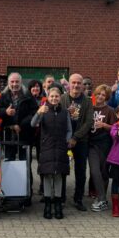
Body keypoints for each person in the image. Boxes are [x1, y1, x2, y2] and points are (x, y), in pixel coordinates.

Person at [33, 86, 72, 219]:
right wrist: (39, 112)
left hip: (61, 148)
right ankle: (48, 206)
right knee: (48, 176)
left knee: (59, 177)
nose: (54, 98)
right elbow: (33, 124)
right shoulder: (43, 110)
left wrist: (67, 142)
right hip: (47, 148)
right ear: (47, 97)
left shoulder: (65, 112)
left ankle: (57, 205)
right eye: (52, 96)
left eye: (57, 96)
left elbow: (69, 130)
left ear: (60, 97)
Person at [60, 73, 93, 211]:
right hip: (64, 140)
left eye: (79, 83)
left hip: (81, 141)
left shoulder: (87, 101)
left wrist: (75, 138)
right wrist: (68, 138)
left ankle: (78, 199)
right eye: (73, 82)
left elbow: (88, 122)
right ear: (69, 84)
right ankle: (61, 197)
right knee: (62, 169)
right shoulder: (62, 99)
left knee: (81, 171)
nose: (76, 85)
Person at [0, 72, 38, 161]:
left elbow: (34, 112)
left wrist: (21, 125)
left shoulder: (28, 96)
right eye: (12, 82)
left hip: (25, 134)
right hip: (8, 135)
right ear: (8, 82)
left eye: (17, 82)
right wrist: (5, 112)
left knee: (25, 163)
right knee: (9, 163)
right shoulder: (3, 96)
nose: (14, 84)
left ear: (21, 82)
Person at [88, 85, 117, 212]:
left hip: (105, 144)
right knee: (95, 171)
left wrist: (104, 125)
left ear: (107, 97)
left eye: (103, 95)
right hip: (91, 143)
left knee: (103, 171)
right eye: (98, 94)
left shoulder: (110, 110)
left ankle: (102, 199)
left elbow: (115, 128)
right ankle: (102, 198)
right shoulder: (89, 107)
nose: (100, 96)